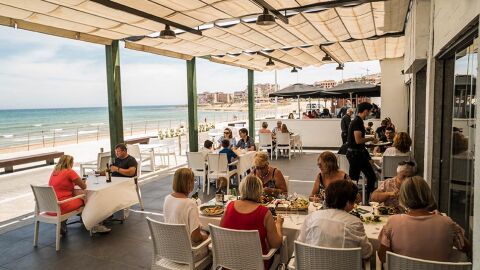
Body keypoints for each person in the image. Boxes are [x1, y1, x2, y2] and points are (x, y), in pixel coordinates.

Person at [378, 176, 469, 263]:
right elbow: (466, 248)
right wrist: (444, 220)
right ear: (428, 195)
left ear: (403, 197)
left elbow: (383, 257)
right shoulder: (447, 223)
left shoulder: (393, 222)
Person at [221, 175, 284, 270]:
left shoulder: (230, 206)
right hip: (256, 265)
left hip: (229, 264)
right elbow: (275, 244)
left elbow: (222, 230)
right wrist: (278, 223)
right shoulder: (264, 212)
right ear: (259, 191)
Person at [298, 180, 372, 259]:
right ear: (348, 203)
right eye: (354, 201)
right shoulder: (354, 223)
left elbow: (300, 245)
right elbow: (366, 253)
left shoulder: (311, 217)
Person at [164, 168, 209, 261]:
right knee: (212, 240)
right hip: (187, 255)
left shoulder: (167, 198)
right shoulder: (190, 204)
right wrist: (208, 237)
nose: (194, 183)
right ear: (189, 183)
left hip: (169, 250)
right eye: (193, 181)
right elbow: (196, 238)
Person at [48, 155, 88, 234]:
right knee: (85, 199)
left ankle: (62, 224)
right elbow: (83, 186)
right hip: (61, 206)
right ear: (70, 163)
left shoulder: (54, 172)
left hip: (51, 207)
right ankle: (90, 223)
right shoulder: (69, 172)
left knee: (74, 197)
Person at [346, 102, 378, 202]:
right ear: (365, 111)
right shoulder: (357, 122)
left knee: (369, 177)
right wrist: (371, 139)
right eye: (369, 112)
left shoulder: (357, 121)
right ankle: (354, 200)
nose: (369, 114)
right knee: (354, 180)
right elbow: (358, 140)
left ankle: (367, 199)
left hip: (357, 154)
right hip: (355, 155)